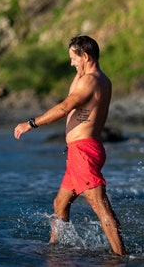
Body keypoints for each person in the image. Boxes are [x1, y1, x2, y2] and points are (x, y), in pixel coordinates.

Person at [14, 35, 125, 256]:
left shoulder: (90, 81)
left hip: (84, 150)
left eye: (74, 58)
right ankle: (55, 250)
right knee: (60, 204)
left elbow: (65, 107)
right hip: (80, 151)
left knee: (100, 206)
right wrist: (79, 68)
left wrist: (31, 123)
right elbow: (77, 87)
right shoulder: (95, 78)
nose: (71, 63)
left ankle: (121, 257)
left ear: (85, 56)